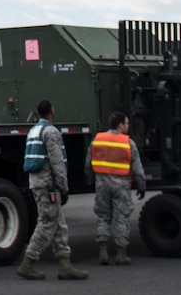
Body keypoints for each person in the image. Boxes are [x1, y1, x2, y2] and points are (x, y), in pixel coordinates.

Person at [18, 99, 88, 280]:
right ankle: (28, 262)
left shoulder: (34, 130)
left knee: (59, 225)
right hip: (48, 185)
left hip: (37, 183)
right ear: (51, 111)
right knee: (47, 223)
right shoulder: (51, 132)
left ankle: (65, 265)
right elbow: (57, 162)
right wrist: (64, 186)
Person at [90, 111, 147, 266]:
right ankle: (121, 254)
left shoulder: (98, 140)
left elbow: (89, 161)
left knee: (103, 217)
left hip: (102, 184)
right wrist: (142, 186)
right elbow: (137, 168)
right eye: (127, 123)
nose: (128, 126)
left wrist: (89, 177)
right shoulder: (127, 143)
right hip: (121, 185)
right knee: (121, 218)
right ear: (120, 125)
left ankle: (103, 252)